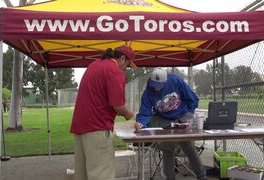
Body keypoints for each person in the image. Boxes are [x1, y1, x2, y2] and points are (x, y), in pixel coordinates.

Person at [70, 45, 136, 180]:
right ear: (122, 58)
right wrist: (131, 116)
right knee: (102, 174)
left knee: (82, 174)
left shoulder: (94, 65)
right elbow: (118, 106)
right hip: (97, 128)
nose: (126, 68)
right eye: (128, 65)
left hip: (80, 128)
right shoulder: (115, 71)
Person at [134, 68, 207, 180]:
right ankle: (170, 178)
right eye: (154, 85)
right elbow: (145, 113)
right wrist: (140, 123)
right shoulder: (148, 92)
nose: (156, 88)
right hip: (164, 120)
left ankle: (202, 177)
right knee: (167, 149)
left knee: (189, 147)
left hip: (182, 116)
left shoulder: (176, 81)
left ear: (166, 81)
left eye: (159, 85)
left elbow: (192, 98)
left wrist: (189, 114)